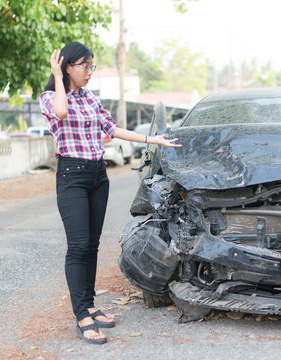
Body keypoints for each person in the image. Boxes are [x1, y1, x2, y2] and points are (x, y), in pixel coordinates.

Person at [39, 41, 180, 345]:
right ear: (67, 67)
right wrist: (58, 77)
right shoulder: (50, 97)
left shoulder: (90, 98)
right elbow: (61, 113)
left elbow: (111, 129)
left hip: (96, 176)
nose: (90, 71)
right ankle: (81, 316)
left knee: (91, 245)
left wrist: (151, 139)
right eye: (84, 66)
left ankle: (90, 304)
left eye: (92, 65)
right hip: (71, 176)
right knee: (77, 247)